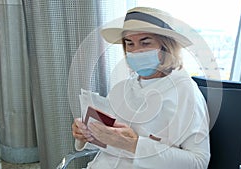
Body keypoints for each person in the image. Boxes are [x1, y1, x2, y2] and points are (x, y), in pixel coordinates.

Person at [72, 6, 210, 169]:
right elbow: (109, 141)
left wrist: (134, 145)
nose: (136, 51)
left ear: (166, 47)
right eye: (129, 44)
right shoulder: (123, 87)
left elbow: (199, 162)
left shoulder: (186, 92)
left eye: (145, 42)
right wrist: (85, 134)